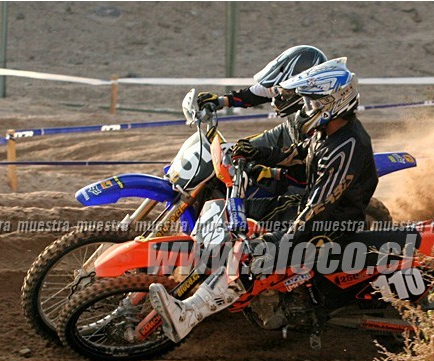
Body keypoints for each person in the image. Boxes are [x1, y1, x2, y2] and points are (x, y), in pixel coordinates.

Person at [148, 59, 380, 344]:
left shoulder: (348, 146)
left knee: (251, 253)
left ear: (332, 102)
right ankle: (210, 279)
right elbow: (299, 156)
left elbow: (319, 206)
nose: (305, 108)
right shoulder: (328, 131)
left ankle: (190, 313)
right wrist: (254, 154)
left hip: (330, 226)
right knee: (229, 214)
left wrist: (280, 241)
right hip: (305, 208)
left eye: (311, 102)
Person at [198, 45, 327, 198]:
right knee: (234, 154)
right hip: (288, 132)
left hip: (306, 168)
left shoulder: (323, 120)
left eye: (283, 90)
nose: (276, 95)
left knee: (267, 188)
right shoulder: (301, 98)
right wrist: (221, 101)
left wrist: (266, 164)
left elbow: (303, 164)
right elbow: (261, 91)